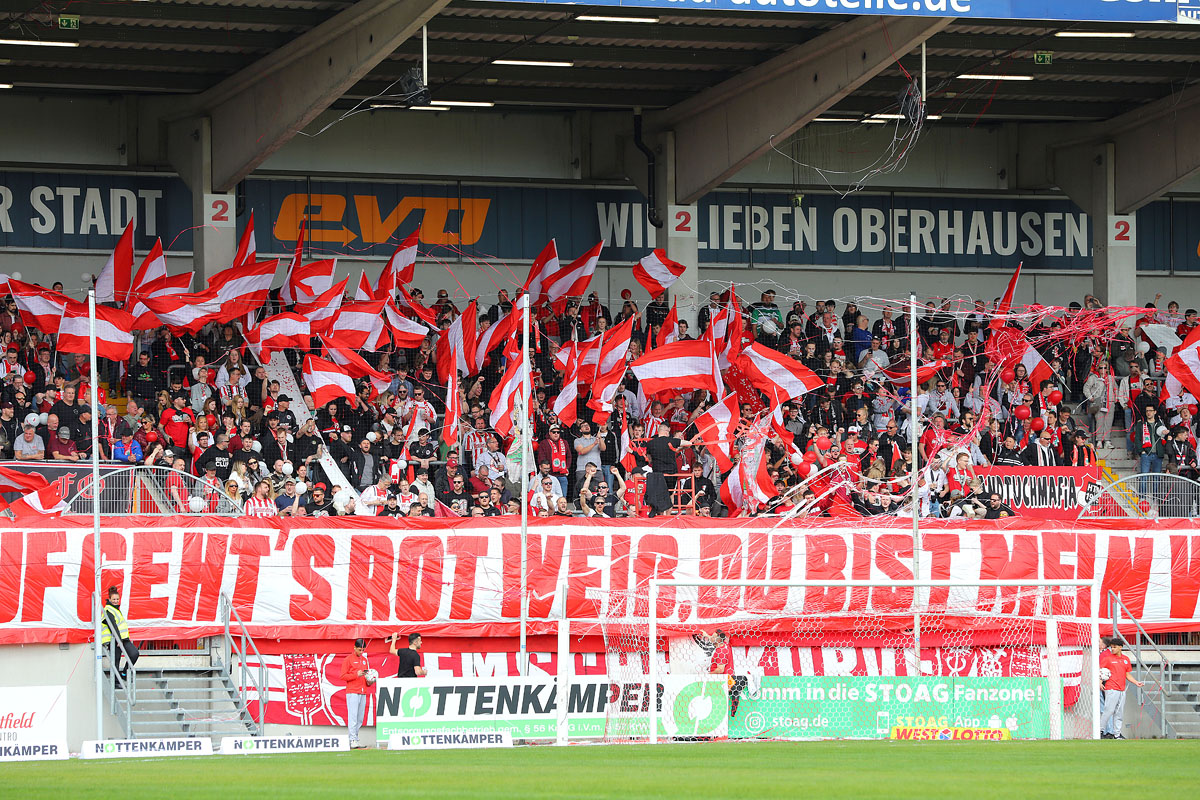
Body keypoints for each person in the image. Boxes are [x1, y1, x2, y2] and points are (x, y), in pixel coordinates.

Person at [1099, 637, 1144, 739]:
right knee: (1109, 711)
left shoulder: (1125, 659)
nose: (1112, 649)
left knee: (1119, 713)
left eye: (1114, 647)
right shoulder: (1108, 659)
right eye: (1111, 647)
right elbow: (1102, 672)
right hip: (1111, 688)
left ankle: (1117, 734)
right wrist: (1100, 682)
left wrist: (1136, 682)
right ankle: (1100, 731)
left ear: (1120, 647)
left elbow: (1127, 674)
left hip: (1122, 689)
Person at [100, 585, 139, 688]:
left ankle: (124, 673)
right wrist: (118, 640)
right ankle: (115, 682)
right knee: (116, 660)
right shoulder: (108, 609)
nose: (116, 601)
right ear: (109, 599)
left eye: (117, 599)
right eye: (114, 599)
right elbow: (113, 626)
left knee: (134, 654)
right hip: (114, 639)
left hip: (123, 638)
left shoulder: (115, 609)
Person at [339, 638, 373, 749]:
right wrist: (355, 675)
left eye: (363, 650)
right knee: (353, 717)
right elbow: (343, 676)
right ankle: (352, 739)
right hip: (352, 691)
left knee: (360, 718)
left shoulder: (365, 660)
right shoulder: (348, 659)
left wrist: (369, 681)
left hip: (363, 691)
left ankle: (355, 738)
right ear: (354, 648)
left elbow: (365, 676)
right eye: (359, 650)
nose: (361, 652)